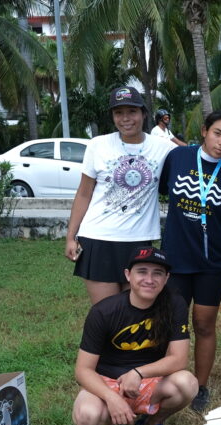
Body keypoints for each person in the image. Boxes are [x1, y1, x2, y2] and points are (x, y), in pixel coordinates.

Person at [159, 110, 221, 413]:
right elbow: (162, 189)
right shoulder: (179, 158)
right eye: (217, 133)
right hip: (175, 258)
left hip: (214, 263)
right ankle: (168, 379)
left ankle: (199, 386)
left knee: (203, 324)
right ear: (204, 131)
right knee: (173, 322)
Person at [72, 246, 197, 425]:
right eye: (142, 271)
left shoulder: (175, 304)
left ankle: (151, 424)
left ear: (166, 278)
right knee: (86, 417)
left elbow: (179, 359)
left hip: (147, 380)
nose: (149, 279)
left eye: (157, 273)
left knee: (187, 383)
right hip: (108, 380)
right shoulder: (103, 311)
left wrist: (138, 373)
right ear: (128, 275)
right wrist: (112, 397)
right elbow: (83, 370)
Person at [65, 87, 176, 305]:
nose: (126, 119)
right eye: (119, 113)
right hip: (98, 240)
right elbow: (84, 194)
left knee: (137, 314)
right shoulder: (98, 145)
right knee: (107, 314)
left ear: (143, 113)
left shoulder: (163, 148)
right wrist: (71, 236)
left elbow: (198, 156)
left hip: (140, 240)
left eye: (132, 111)